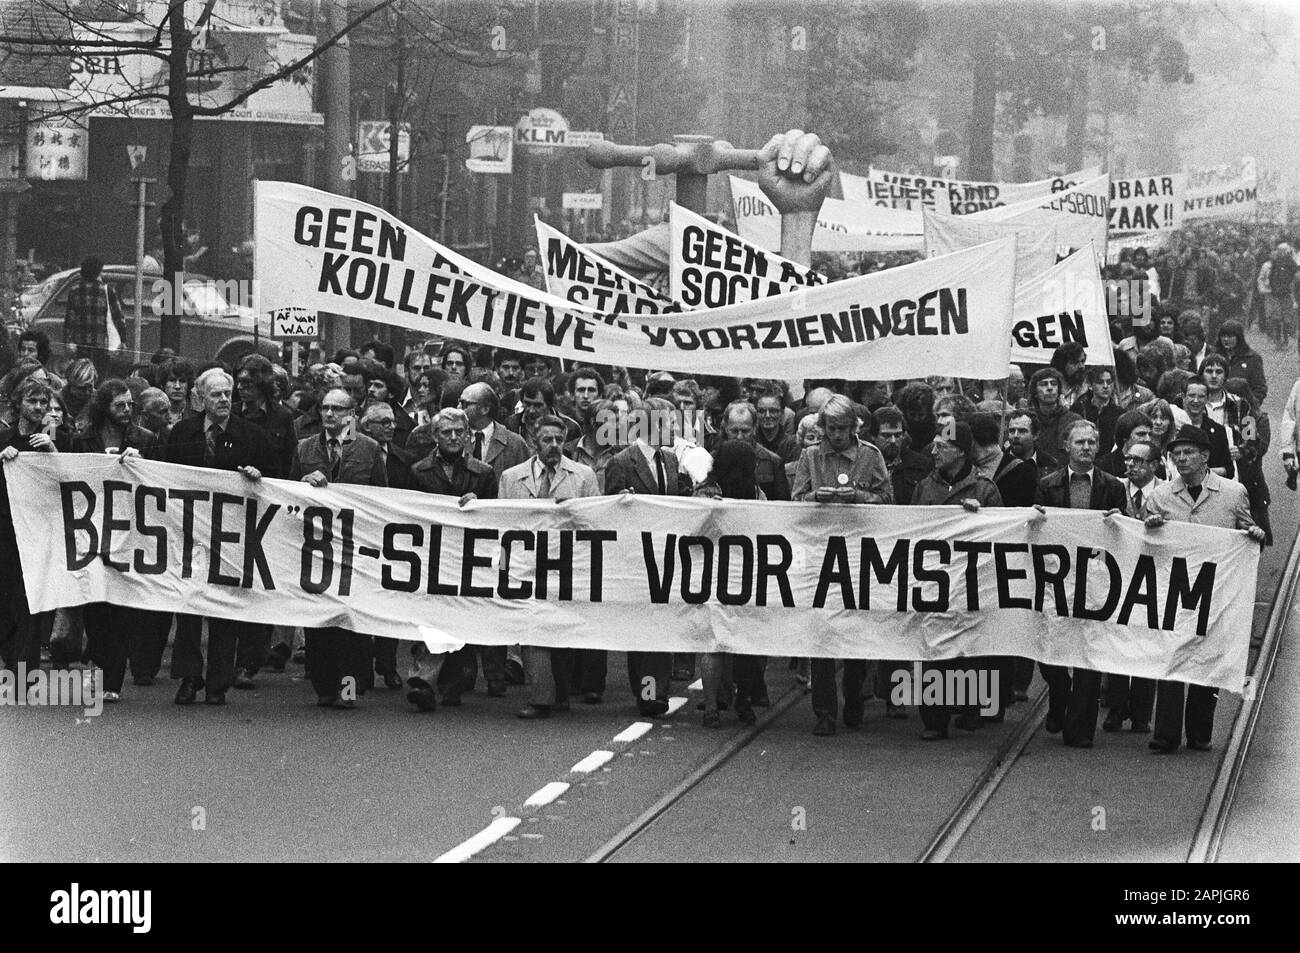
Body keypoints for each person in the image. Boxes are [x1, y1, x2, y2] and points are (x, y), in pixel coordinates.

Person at [1142, 425, 1265, 753]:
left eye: (1187, 453)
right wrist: (1149, 528)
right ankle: (1165, 734)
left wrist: (1254, 534)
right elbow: (1141, 545)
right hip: (1174, 591)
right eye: (1175, 454)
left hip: (1216, 592)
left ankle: (1199, 732)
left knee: (1207, 661)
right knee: (1170, 659)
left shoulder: (1232, 492)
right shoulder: (1161, 496)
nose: (1180, 459)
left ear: (1205, 456)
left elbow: (1247, 533)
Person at [165, 368, 275, 707]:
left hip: (233, 538)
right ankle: (188, 677)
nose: (225, 399)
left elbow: (276, 478)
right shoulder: (182, 432)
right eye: (217, 394)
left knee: (224, 612)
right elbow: (166, 477)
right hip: (191, 537)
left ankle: (217, 683)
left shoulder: (252, 435)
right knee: (189, 608)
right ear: (200, 397)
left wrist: (259, 477)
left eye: (228, 393)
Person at [792, 394, 892, 736]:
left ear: (854, 428)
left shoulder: (870, 456)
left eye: (843, 428)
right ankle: (823, 711)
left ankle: (854, 695)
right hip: (821, 555)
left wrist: (862, 498)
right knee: (821, 634)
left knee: (854, 632)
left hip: (859, 555)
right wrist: (812, 498)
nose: (836, 435)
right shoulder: (809, 456)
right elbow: (794, 501)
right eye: (831, 428)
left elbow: (889, 502)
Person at [289, 387, 387, 708]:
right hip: (316, 547)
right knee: (319, 621)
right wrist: (303, 485)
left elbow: (383, 500)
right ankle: (324, 687)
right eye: (326, 408)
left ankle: (347, 690)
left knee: (351, 625)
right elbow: (287, 497)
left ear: (351, 415)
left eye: (338, 409)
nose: (330, 414)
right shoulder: (304, 449)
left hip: (355, 548)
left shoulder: (369, 449)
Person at [1032, 419, 1126, 748]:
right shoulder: (1048, 484)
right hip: (1057, 579)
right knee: (1050, 651)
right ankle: (1059, 693)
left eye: (1091, 442)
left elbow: (1121, 537)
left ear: (1098, 447)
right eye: (1079, 442)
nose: (1085, 447)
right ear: (1066, 447)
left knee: (1088, 651)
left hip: (1095, 580)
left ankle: (1080, 728)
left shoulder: (1113, 486)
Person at [500, 416, 600, 719]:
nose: (554, 445)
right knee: (532, 629)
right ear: (533, 441)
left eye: (559, 439)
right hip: (527, 565)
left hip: (567, 563)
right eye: (547, 440)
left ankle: (560, 692)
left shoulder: (583, 476)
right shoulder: (511, 477)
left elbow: (596, 520)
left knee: (562, 631)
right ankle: (541, 697)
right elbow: (500, 523)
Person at [912, 421, 1003, 739]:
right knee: (933, 645)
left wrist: (982, 519)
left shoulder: (985, 489)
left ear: (962, 452)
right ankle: (934, 720)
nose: (935, 451)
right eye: (934, 445)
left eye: (943, 446)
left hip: (970, 582)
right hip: (934, 581)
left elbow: (1001, 538)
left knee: (971, 645)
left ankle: (971, 708)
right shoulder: (925, 487)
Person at [406, 407, 500, 709]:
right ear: (435, 436)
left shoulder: (483, 474)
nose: (453, 437)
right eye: (446, 432)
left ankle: (453, 681)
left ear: (469, 434)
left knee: (462, 618)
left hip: (468, 558)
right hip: (430, 557)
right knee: (430, 619)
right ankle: (422, 681)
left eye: (459, 431)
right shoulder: (418, 471)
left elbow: (495, 518)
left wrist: (480, 505)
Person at [0, 379, 71, 695]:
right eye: (33, 402)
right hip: (6, 526)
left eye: (44, 402)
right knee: (6, 597)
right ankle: (11, 657)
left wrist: (53, 451)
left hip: (38, 528)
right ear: (18, 405)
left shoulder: (51, 436)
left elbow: (67, 477)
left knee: (28, 597)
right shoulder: (4, 436)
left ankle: (23, 670)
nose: (40, 408)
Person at [1103, 436, 1163, 733]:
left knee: (1145, 644)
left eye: (1138, 461)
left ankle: (1141, 713)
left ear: (1154, 464)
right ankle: (1116, 708)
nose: (1130, 465)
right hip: (1119, 575)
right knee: (1117, 643)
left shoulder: (1165, 492)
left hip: (1152, 578)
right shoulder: (1114, 487)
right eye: (1128, 459)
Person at [63, 256, 125, 377]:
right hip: (101, 344)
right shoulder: (107, 291)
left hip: (81, 344)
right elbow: (118, 317)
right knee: (100, 375)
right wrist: (123, 339)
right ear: (98, 272)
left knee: (83, 374)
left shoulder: (74, 290)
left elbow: (70, 319)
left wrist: (67, 341)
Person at [870, 404, 931, 506]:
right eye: (886, 435)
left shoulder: (921, 465)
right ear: (873, 436)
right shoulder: (863, 463)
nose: (893, 441)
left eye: (898, 435)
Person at [1180, 376, 1234, 479]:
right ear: (1183, 396)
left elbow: (1229, 470)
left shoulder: (1218, 430)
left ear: (1207, 399)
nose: (1196, 401)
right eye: (1191, 395)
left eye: (1201, 397)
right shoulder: (1173, 425)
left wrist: (1205, 472)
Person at [1024, 368, 1080, 458]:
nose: (1050, 388)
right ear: (1035, 392)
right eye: (1043, 384)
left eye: (1054, 384)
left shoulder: (1073, 420)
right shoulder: (1027, 421)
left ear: (1059, 390)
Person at [1069, 365, 1121, 460]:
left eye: (1109, 382)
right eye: (1100, 382)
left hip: (1109, 463)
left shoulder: (1120, 413)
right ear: (1090, 385)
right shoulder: (1079, 409)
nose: (1105, 386)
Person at [1213, 319, 1267, 403]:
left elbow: (1259, 388)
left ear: (1239, 337)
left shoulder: (1252, 358)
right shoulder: (1213, 356)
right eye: (1223, 336)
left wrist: (1251, 405)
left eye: (1230, 336)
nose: (1226, 339)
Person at [1005, 409, 1059, 474]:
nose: (1015, 436)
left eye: (1022, 431)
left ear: (1035, 435)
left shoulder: (1050, 464)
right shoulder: (999, 462)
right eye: (1012, 431)